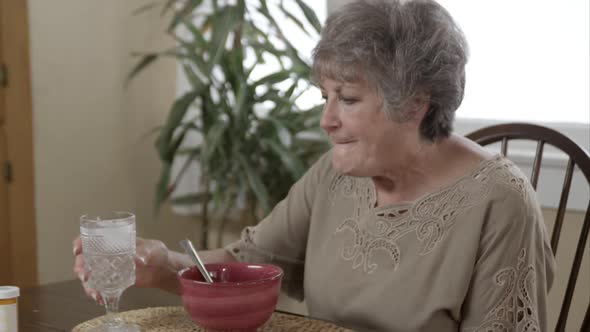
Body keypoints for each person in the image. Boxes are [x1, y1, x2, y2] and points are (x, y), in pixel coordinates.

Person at [73, 0, 556, 330]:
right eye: (325, 97)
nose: (326, 120)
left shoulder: (498, 202)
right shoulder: (334, 175)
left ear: (415, 104)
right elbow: (246, 265)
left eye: (346, 98)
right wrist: (160, 266)